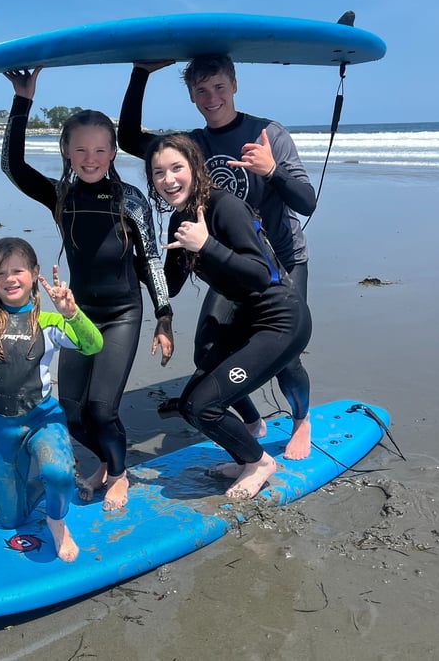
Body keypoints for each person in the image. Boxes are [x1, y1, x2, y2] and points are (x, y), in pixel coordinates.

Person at [119, 55, 316, 460]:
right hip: (227, 265)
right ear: (192, 96)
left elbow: (307, 202)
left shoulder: (268, 133)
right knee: (208, 351)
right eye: (202, 91)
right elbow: (127, 139)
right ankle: (252, 422)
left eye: (219, 87)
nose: (212, 98)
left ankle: (301, 420)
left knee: (286, 357)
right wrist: (140, 73)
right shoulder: (192, 146)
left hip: (281, 262)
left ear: (235, 85)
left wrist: (273, 170)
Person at [1, 67, 174, 511]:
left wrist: (164, 317)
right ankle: (108, 462)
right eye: (80, 149)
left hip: (122, 314)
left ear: (113, 151)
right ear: (66, 151)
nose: (90, 158)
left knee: (101, 408)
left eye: (100, 149)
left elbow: (150, 260)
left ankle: (118, 475)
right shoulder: (61, 196)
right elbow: (12, 166)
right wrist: (23, 100)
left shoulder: (131, 200)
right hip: (78, 314)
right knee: (73, 414)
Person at [145, 133, 312, 498]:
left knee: (204, 406)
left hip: (281, 321)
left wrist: (207, 245)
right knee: (191, 404)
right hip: (247, 319)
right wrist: (139, 261)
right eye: (158, 172)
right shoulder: (180, 219)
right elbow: (171, 283)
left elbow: (261, 273)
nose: (168, 180)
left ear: (195, 167)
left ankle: (260, 462)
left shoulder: (225, 207)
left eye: (176, 168)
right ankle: (245, 453)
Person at [0, 237, 103, 562]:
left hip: (42, 419)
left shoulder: (49, 322)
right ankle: (41, 483)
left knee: (59, 475)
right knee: (10, 520)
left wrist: (72, 314)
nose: (9, 279)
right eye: (0, 273)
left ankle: (56, 519)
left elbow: (93, 345)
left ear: (34, 273)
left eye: (17, 270)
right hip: (1, 429)